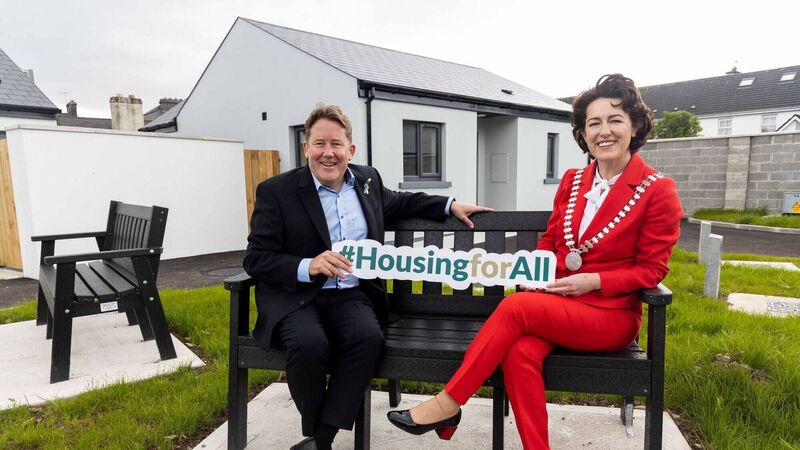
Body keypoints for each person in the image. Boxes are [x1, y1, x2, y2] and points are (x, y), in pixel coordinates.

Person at [387, 74, 684, 449]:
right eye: (593, 123)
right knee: (519, 353)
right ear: (583, 133)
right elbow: (551, 241)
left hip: (609, 315)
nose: (604, 131)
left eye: (615, 120)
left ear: (635, 126)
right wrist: (538, 269)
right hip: (558, 304)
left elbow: (652, 270)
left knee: (515, 307)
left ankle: (448, 403)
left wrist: (594, 280)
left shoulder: (657, 190)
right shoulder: (573, 180)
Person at [243, 103, 491, 450]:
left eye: (336, 144)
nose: (328, 153)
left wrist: (448, 205)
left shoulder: (366, 180)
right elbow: (256, 258)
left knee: (367, 339)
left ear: (350, 150)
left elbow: (401, 202)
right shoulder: (276, 191)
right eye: (319, 144)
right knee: (309, 344)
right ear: (306, 148)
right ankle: (318, 432)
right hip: (297, 296)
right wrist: (308, 265)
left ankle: (321, 439)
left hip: (350, 294)